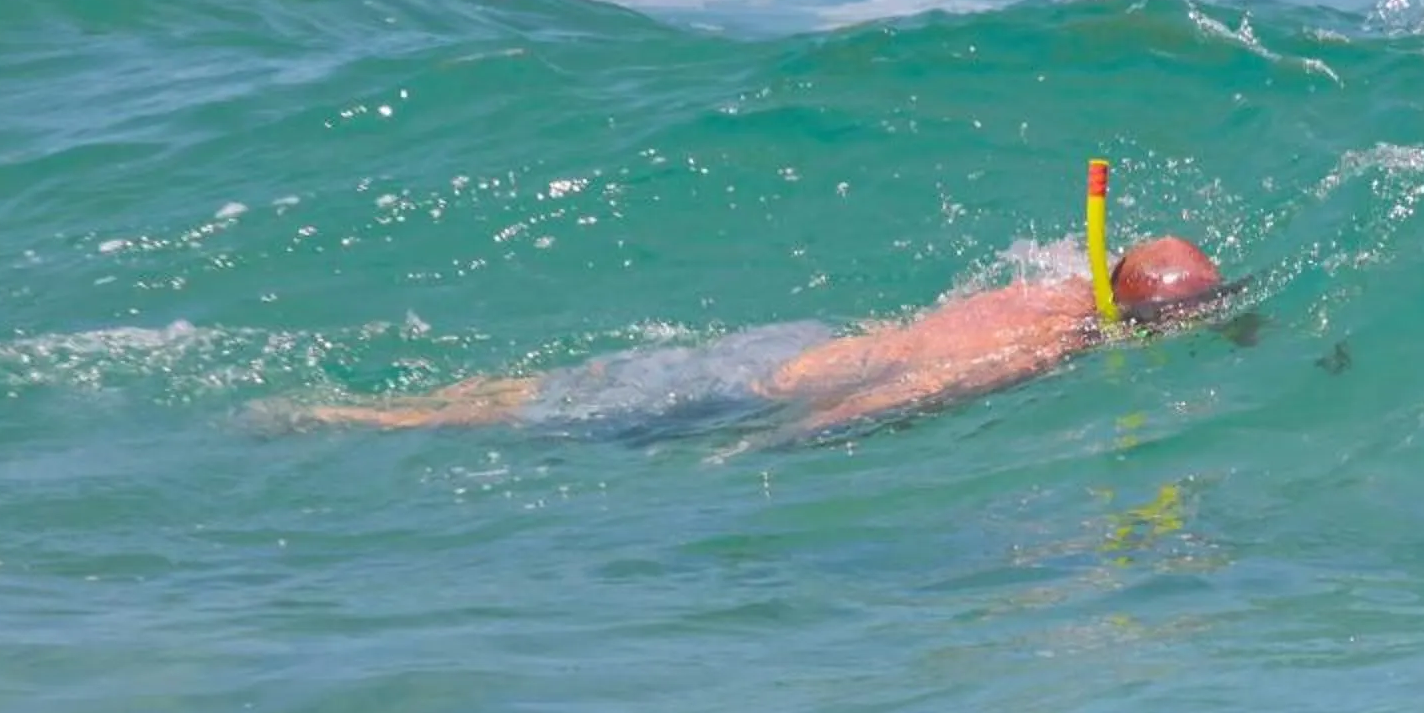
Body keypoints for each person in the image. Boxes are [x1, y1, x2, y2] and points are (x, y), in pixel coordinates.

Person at [290, 235, 1231, 441]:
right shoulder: (1042, 348)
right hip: (767, 386)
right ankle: (350, 417)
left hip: (800, 341)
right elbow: (906, 394)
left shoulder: (1056, 281)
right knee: (544, 414)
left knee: (557, 385)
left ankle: (386, 409)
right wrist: (777, 445)